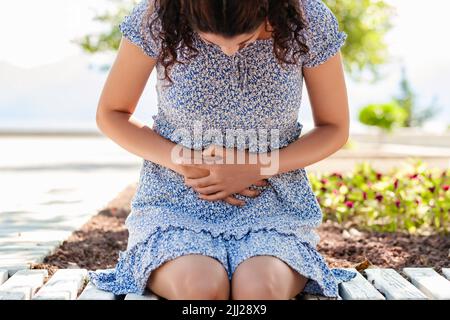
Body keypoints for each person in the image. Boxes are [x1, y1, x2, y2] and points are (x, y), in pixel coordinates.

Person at [89, 0, 356, 300]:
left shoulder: (309, 20)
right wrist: (186, 162)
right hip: (176, 204)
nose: (229, 53)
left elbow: (334, 127)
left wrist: (258, 166)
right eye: (209, 40)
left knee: (259, 293)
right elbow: (111, 114)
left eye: (245, 40)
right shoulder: (157, 16)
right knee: (201, 291)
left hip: (272, 207)